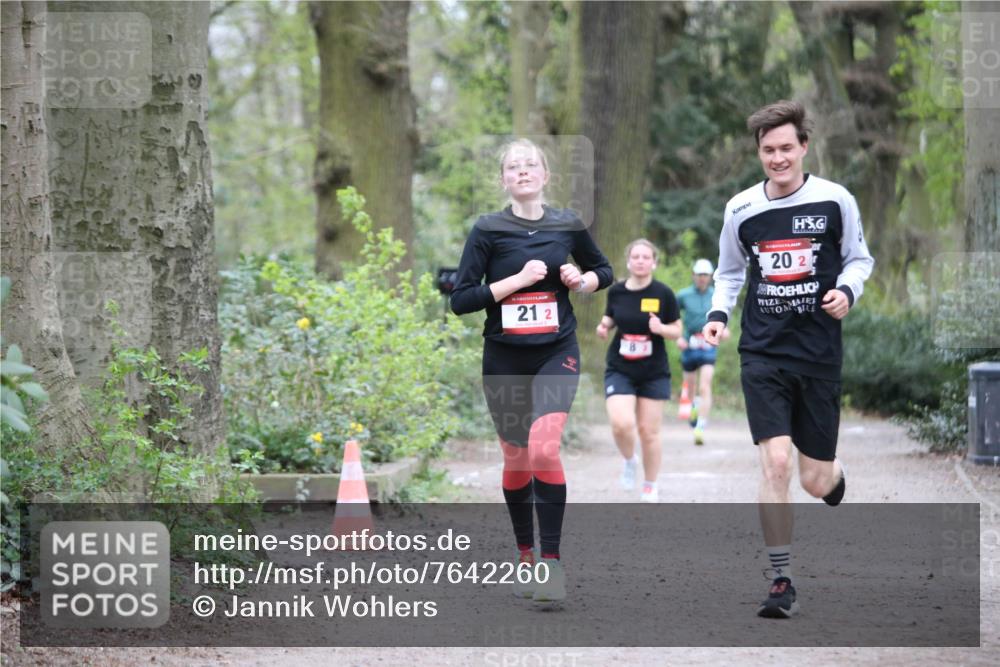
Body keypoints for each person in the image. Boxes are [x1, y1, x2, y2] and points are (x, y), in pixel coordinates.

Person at [702, 100, 874, 618]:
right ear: (758, 152)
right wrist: (718, 314)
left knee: (813, 481)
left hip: (818, 351)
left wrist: (847, 291)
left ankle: (833, 474)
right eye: (767, 150)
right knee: (776, 461)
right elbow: (730, 272)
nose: (777, 158)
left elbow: (859, 259)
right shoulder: (741, 209)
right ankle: (781, 580)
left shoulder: (835, 200)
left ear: (804, 147)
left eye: (785, 148)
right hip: (763, 350)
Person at [450, 138, 613, 603]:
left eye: (530, 165)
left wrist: (582, 281)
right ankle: (525, 556)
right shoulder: (487, 229)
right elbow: (461, 299)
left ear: (545, 175)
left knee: (544, 449)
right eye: (513, 167)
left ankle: (551, 563)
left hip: (555, 352)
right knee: (517, 458)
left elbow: (603, 270)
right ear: (503, 180)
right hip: (504, 358)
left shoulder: (567, 223)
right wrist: (516, 282)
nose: (522, 171)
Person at [596, 239, 681, 503]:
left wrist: (662, 329)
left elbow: (677, 330)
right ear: (628, 261)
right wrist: (604, 326)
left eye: (646, 257)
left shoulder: (664, 293)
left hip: (653, 371)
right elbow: (611, 316)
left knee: (648, 431)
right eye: (636, 257)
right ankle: (630, 459)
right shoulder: (617, 291)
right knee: (621, 424)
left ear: (654, 262)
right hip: (620, 367)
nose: (641, 261)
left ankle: (650, 485)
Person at [675, 259, 729, 445]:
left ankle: (700, 426)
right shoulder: (683, 295)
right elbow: (673, 317)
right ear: (693, 275)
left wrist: (724, 330)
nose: (702, 278)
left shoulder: (716, 296)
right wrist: (679, 337)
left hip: (708, 345)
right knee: (690, 388)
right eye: (699, 275)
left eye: (705, 275)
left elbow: (724, 317)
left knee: (705, 386)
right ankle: (694, 407)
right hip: (689, 346)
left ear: (710, 277)